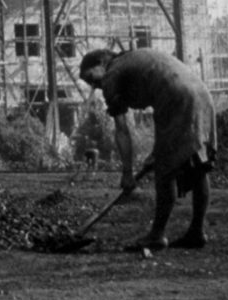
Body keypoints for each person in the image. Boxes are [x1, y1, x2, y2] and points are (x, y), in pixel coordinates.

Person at [79, 47, 217, 251]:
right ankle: (196, 232)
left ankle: (157, 235)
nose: (95, 86)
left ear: (101, 63)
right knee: (198, 163)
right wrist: (156, 151)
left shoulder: (112, 73)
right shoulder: (133, 58)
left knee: (165, 171)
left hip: (176, 98)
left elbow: (123, 130)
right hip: (201, 95)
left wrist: (127, 174)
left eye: (91, 78)